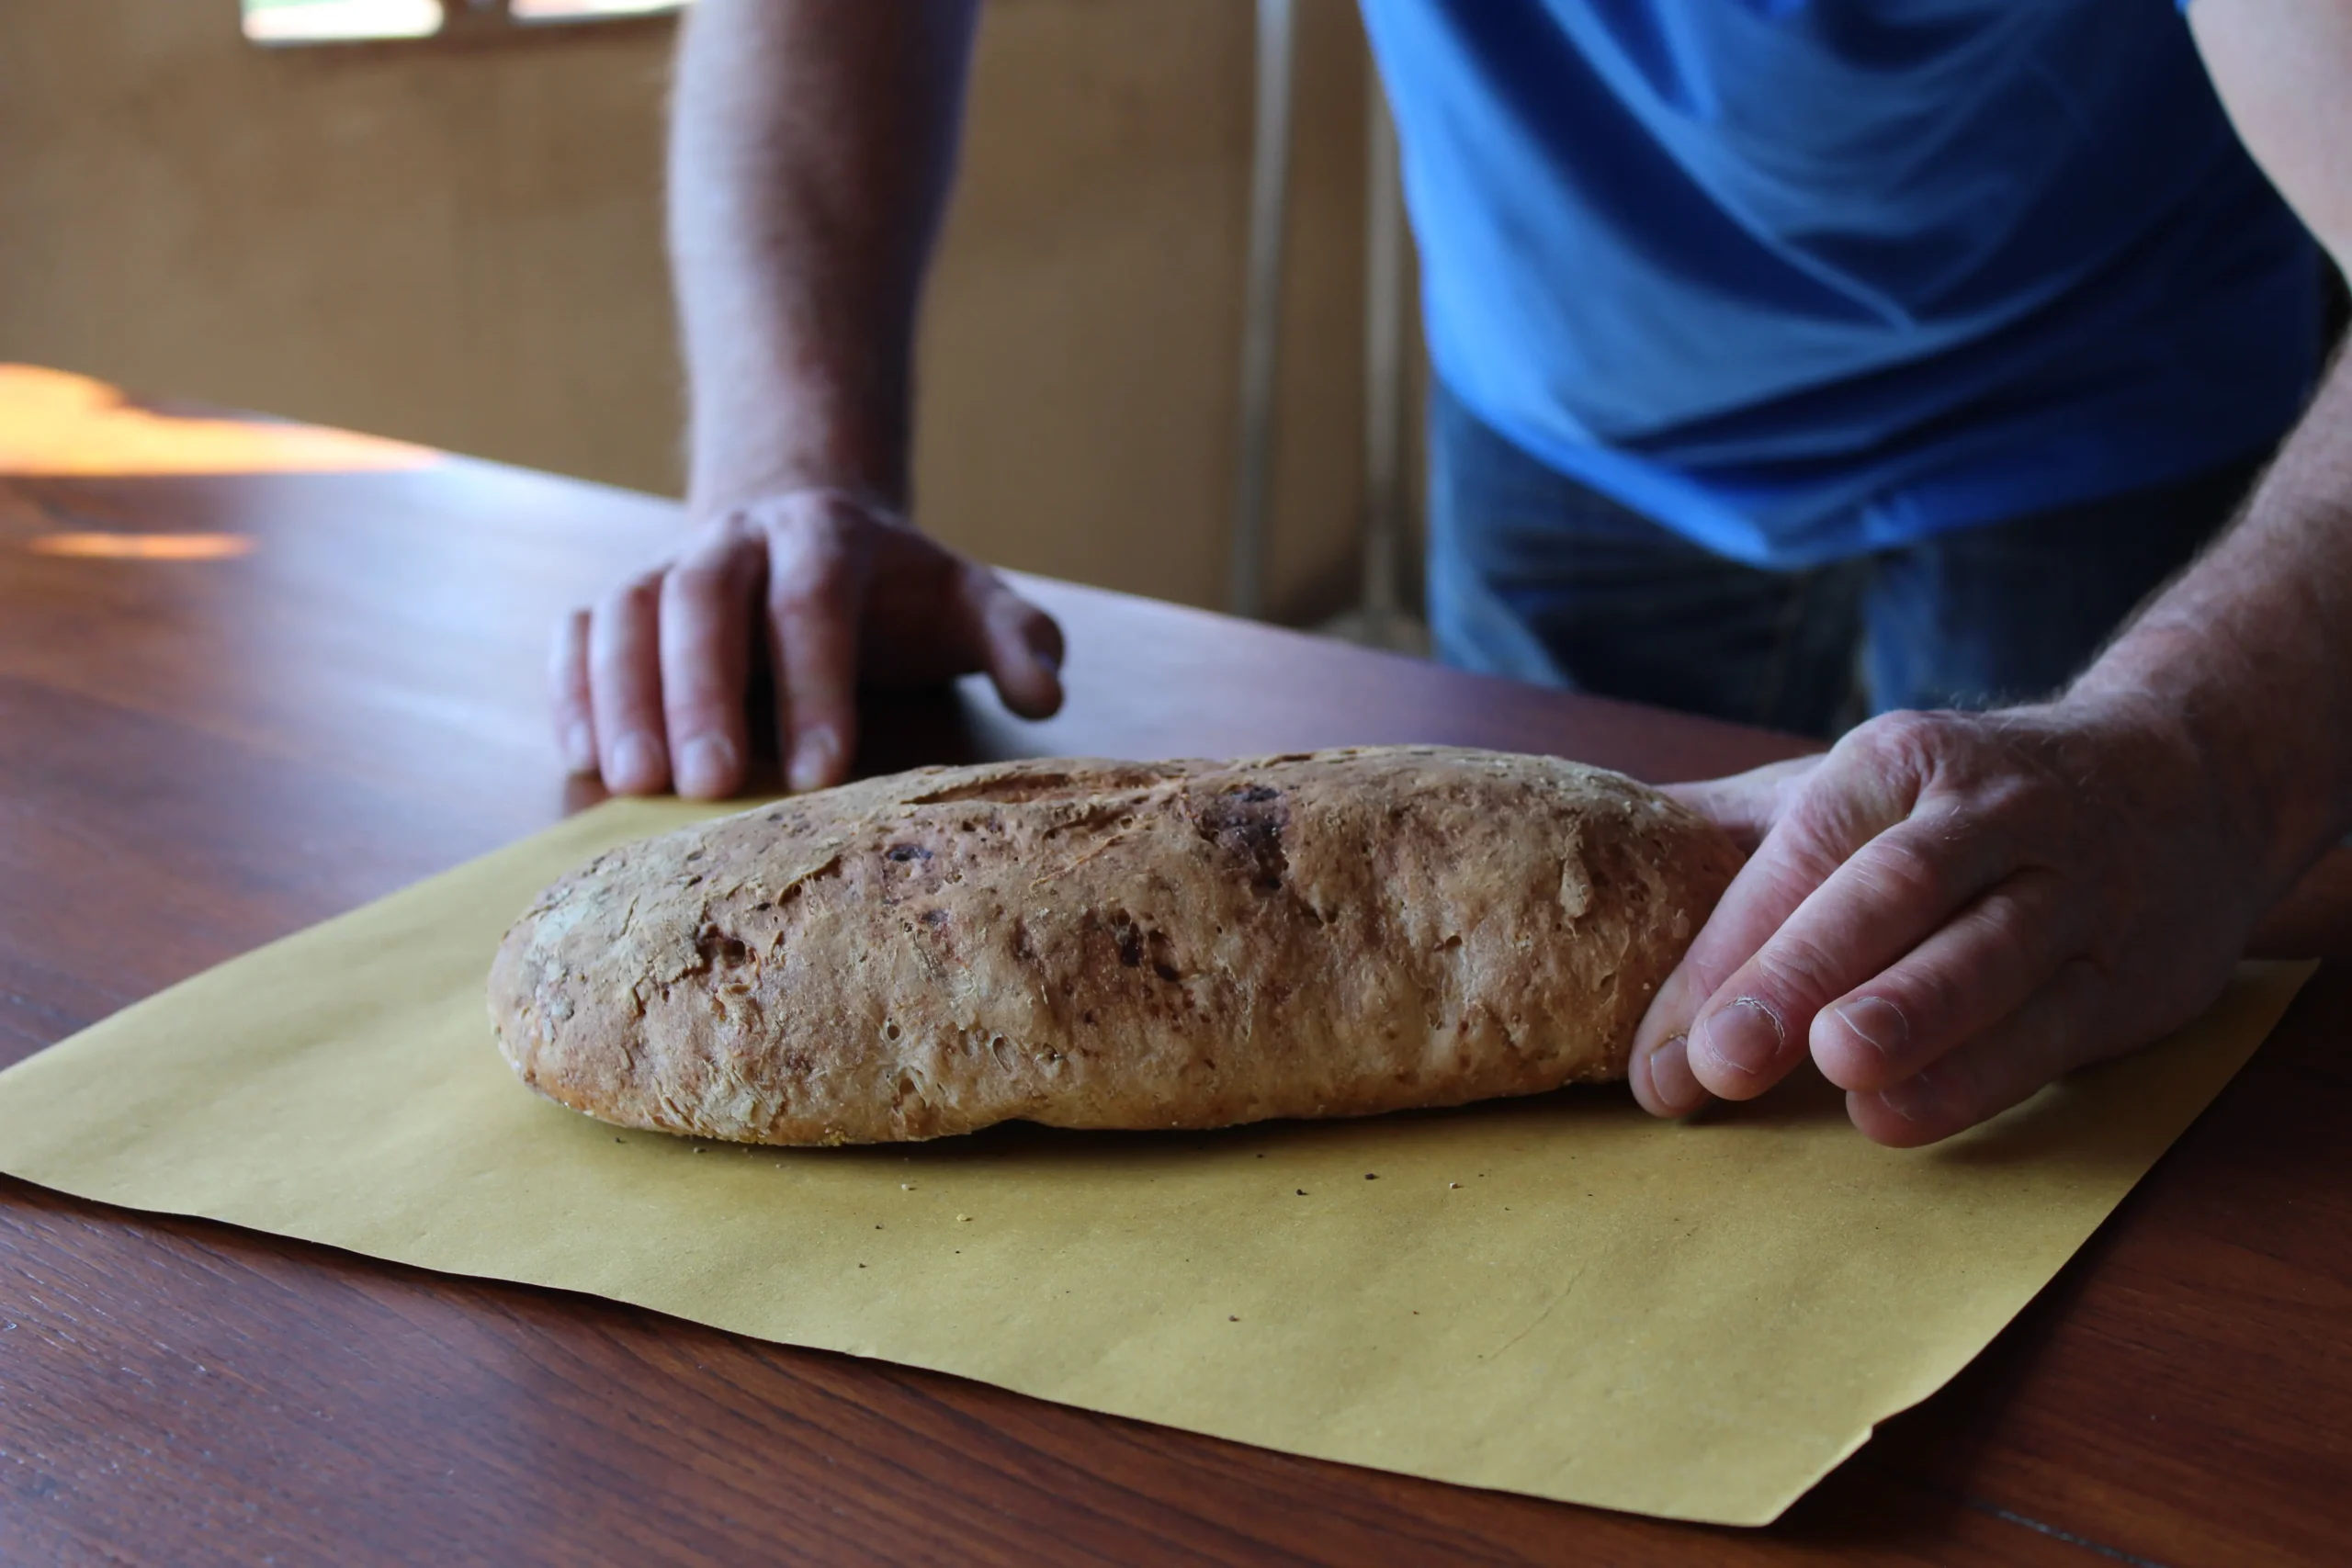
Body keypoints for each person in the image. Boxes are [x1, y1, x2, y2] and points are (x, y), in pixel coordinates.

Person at [548, 0, 2352, 1147]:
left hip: (2128, 433)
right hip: (1551, 406)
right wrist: (788, 466)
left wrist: (2207, 751)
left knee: (2043, 1067)